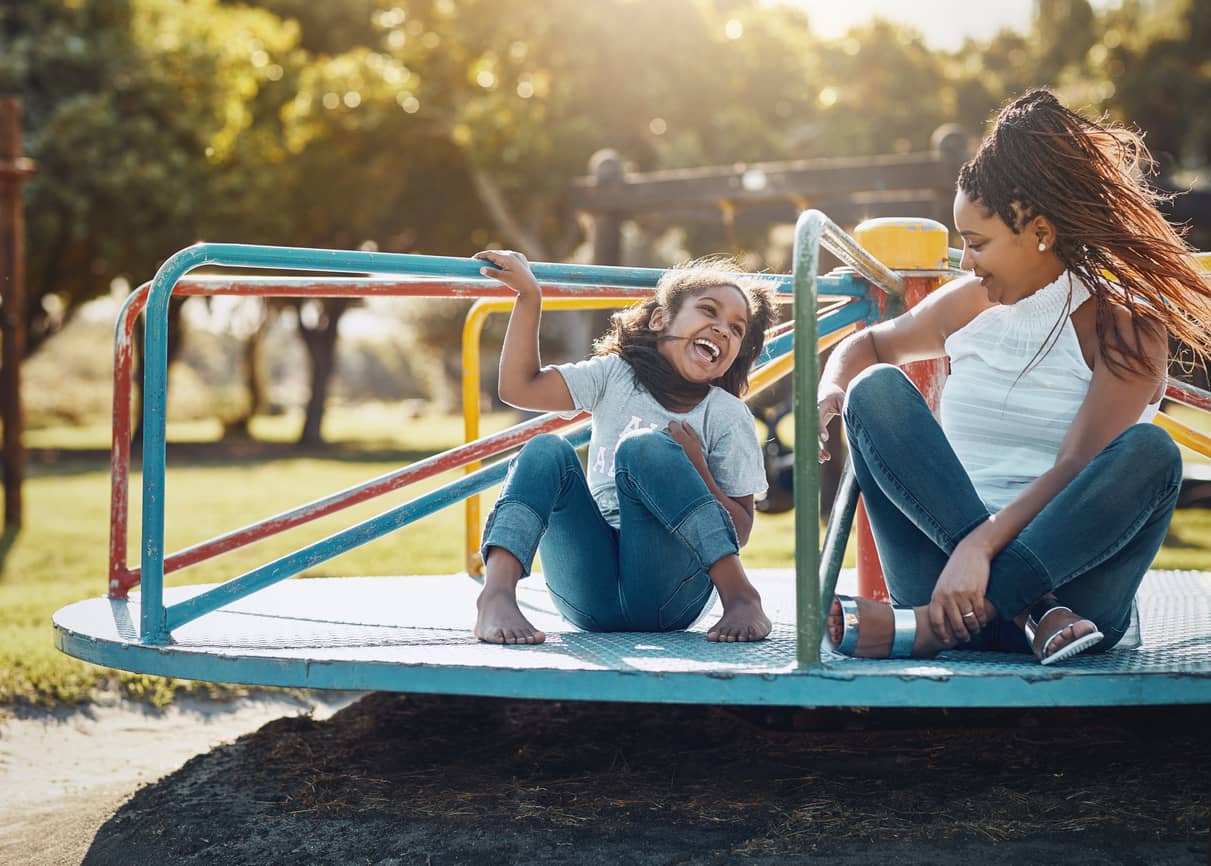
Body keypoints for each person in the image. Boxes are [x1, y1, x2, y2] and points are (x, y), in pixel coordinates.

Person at [817, 89, 1211, 665]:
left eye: (977, 243)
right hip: (950, 579)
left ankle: (928, 631)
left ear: (1039, 231)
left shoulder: (1126, 325)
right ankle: (1026, 611)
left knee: (1152, 453)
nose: (967, 260)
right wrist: (832, 385)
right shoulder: (967, 303)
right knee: (874, 390)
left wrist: (982, 548)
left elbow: (1076, 467)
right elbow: (871, 345)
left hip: (1079, 597)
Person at [472, 250, 779, 645]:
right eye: (708, 311)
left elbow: (742, 529)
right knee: (545, 448)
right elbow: (519, 387)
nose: (723, 330)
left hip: (668, 594)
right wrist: (530, 297)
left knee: (644, 449)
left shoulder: (726, 414)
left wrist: (695, 466)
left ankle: (741, 597)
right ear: (660, 319)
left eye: (737, 330)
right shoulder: (615, 376)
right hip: (588, 593)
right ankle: (496, 596)